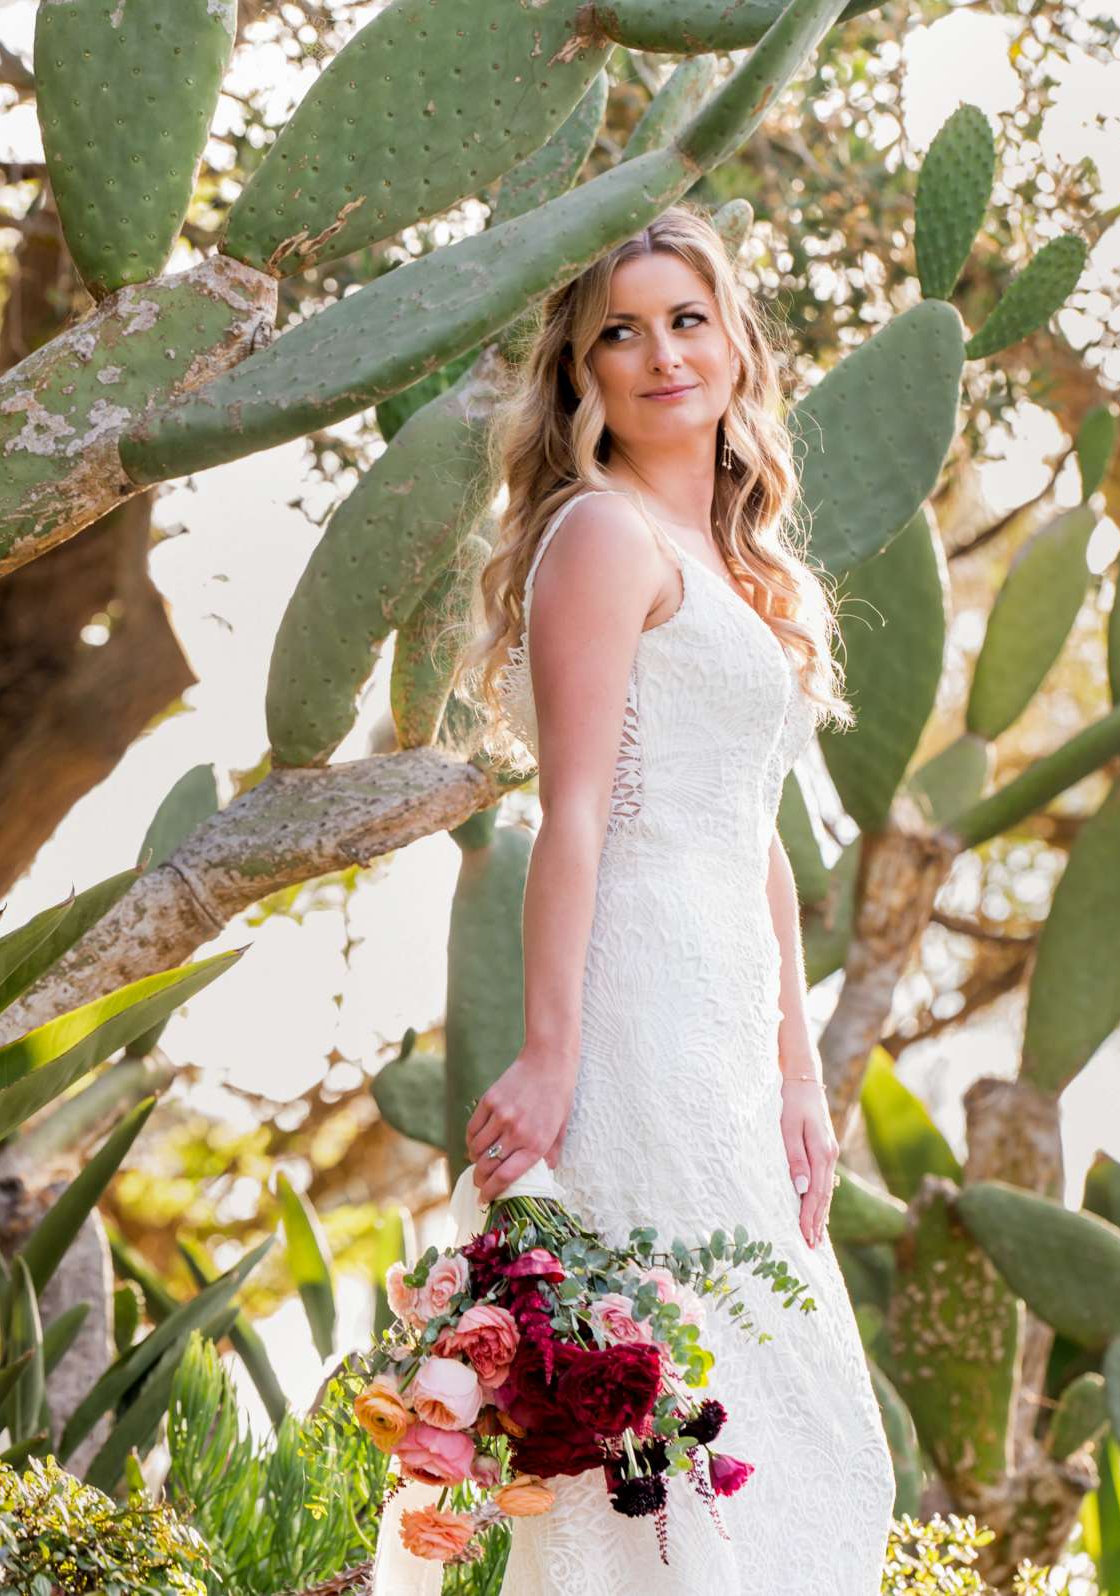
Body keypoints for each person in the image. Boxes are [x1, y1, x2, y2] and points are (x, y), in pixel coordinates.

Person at [447, 205, 898, 1593]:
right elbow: (572, 811)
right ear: (582, 376)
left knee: (777, 1399)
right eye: (618, 335)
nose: (658, 356)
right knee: (670, 1398)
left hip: (730, 1015)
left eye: (685, 320)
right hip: (632, 996)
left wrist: (802, 1075)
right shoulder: (599, 535)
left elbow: (755, 831)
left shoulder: (737, 564)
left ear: (735, 340)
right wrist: (549, 1050)